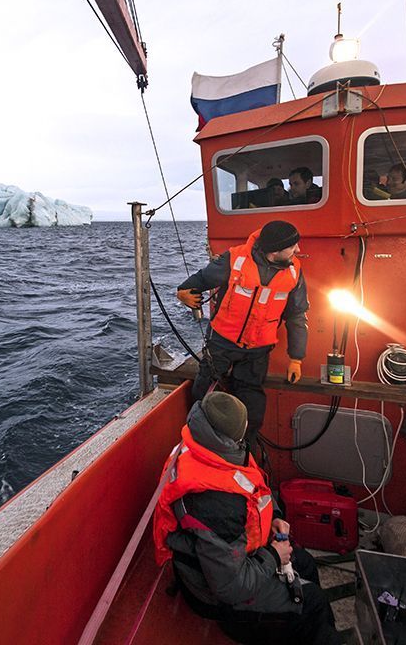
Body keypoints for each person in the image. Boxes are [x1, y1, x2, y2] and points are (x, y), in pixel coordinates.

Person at [153, 392, 343, 645]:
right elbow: (232, 587)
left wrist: (273, 516)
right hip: (215, 594)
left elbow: (251, 484)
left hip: (236, 554)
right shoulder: (213, 502)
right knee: (314, 604)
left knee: (305, 562)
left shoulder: (212, 448)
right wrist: (274, 555)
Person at [176, 220, 308, 440]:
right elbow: (200, 280)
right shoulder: (235, 259)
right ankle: (197, 440)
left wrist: (296, 358)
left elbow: (297, 315)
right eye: (293, 246)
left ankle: (244, 450)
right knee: (204, 394)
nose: (298, 250)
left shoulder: (294, 272)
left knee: (253, 408)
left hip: (257, 351)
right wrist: (183, 292)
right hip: (220, 344)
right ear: (275, 251)